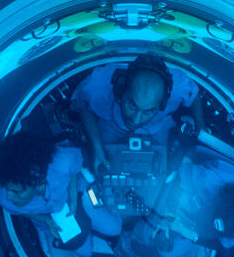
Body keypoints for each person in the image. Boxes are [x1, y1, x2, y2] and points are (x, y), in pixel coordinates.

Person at [0, 118, 111, 257]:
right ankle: (49, 235)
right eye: (7, 189)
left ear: (38, 181)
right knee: (85, 252)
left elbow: (76, 161)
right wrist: (44, 219)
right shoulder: (6, 200)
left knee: (113, 229)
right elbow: (22, 211)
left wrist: (73, 195)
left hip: (76, 197)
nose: (9, 197)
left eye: (16, 191)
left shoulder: (61, 161)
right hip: (50, 219)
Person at [73, 54, 202, 176]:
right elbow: (82, 105)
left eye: (148, 111)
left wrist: (201, 128)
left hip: (158, 129)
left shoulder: (179, 85)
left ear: (162, 104)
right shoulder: (99, 82)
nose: (135, 120)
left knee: (162, 170)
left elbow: (194, 95)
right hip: (111, 126)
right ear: (121, 90)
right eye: (132, 105)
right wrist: (97, 149)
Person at [154, 151, 234, 257]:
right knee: (165, 252)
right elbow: (178, 173)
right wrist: (169, 212)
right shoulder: (207, 179)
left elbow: (220, 244)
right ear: (216, 199)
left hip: (197, 223)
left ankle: (188, 252)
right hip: (192, 192)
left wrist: (194, 236)